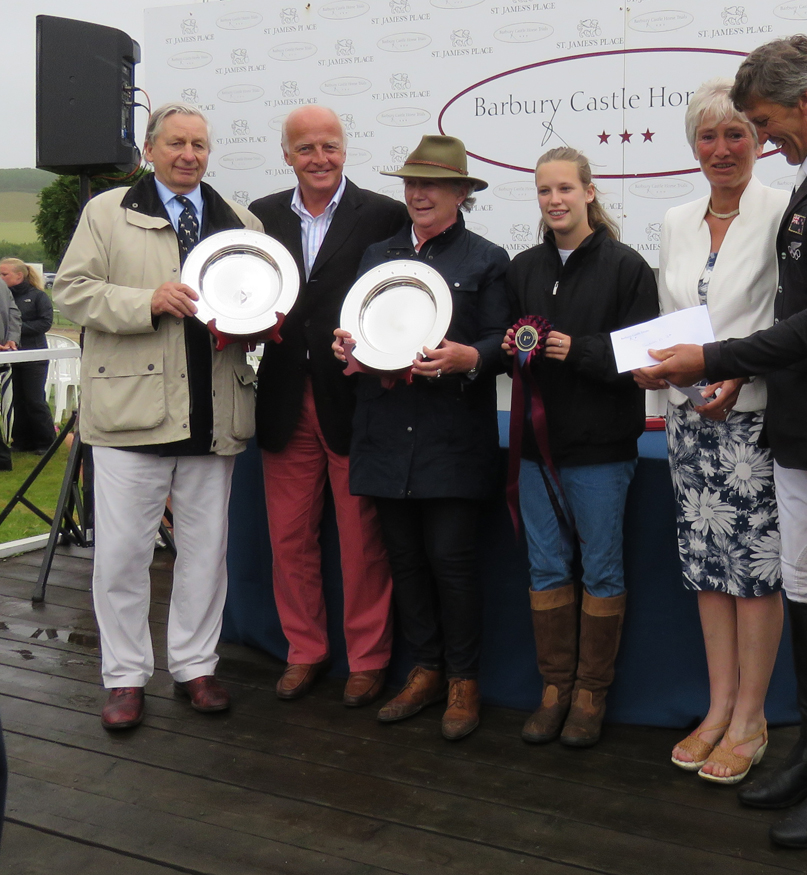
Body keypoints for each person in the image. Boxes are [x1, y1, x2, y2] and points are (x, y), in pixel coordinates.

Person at [640, 35, 807, 848]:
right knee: (804, 586)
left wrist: (714, 358)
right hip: (797, 425)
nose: (760, 140)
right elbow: (793, 318)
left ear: (805, 103)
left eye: (762, 124)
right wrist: (727, 370)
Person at [53, 103, 264, 731]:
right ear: (150, 149)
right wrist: (148, 300)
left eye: (199, 144)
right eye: (176, 143)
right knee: (120, 555)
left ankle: (196, 666)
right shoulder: (105, 213)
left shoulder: (240, 224)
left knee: (205, 554)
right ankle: (124, 677)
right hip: (131, 415)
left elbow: (257, 306)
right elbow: (72, 290)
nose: (189, 155)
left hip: (215, 413)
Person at [634, 80, 787, 782]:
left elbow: (795, 324)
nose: (722, 149)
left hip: (755, 422)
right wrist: (655, 371)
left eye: (736, 135)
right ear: (692, 145)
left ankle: (752, 718)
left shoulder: (785, 211)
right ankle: (719, 705)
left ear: (758, 140)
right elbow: (674, 322)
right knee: (706, 572)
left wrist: (742, 378)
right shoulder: (673, 220)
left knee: (753, 576)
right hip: (692, 425)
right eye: (708, 136)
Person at [334, 135, 509, 740]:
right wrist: (346, 346)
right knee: (404, 560)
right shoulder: (377, 255)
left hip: (450, 437)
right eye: (411, 183)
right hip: (385, 431)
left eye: (432, 184)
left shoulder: (488, 259)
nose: (418, 194)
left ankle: (464, 680)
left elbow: (503, 344)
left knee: (452, 562)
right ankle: (426, 670)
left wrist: (470, 356)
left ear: (461, 193)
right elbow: (357, 331)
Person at [250, 106, 407, 704]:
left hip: (358, 401)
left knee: (362, 540)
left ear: (347, 149)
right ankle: (304, 651)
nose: (321, 159)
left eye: (331, 147)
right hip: (285, 399)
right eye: (307, 148)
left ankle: (367, 660)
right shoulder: (259, 218)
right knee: (289, 539)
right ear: (286, 155)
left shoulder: (385, 215)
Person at [503, 147, 658, 748]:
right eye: (544, 191)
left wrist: (583, 350)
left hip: (601, 450)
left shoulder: (627, 268)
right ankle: (554, 689)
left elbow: (647, 356)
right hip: (537, 453)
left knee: (602, 568)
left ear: (590, 192)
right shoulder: (522, 269)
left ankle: (592, 693)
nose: (555, 200)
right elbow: (503, 346)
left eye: (565, 188)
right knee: (544, 566)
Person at [0, 258, 56, 454]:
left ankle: (47, 441)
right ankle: (21, 441)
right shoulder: (5, 297)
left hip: (34, 354)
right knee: (18, 400)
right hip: (12, 355)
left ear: (19, 275)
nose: (1, 278)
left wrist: (15, 331)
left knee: (34, 399)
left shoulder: (38, 296)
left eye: (4, 274)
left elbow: (45, 323)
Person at [0, 278, 21, 471]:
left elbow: (13, 312)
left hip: (2, 357)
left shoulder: (1, 284)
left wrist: (12, 340)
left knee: (4, 410)